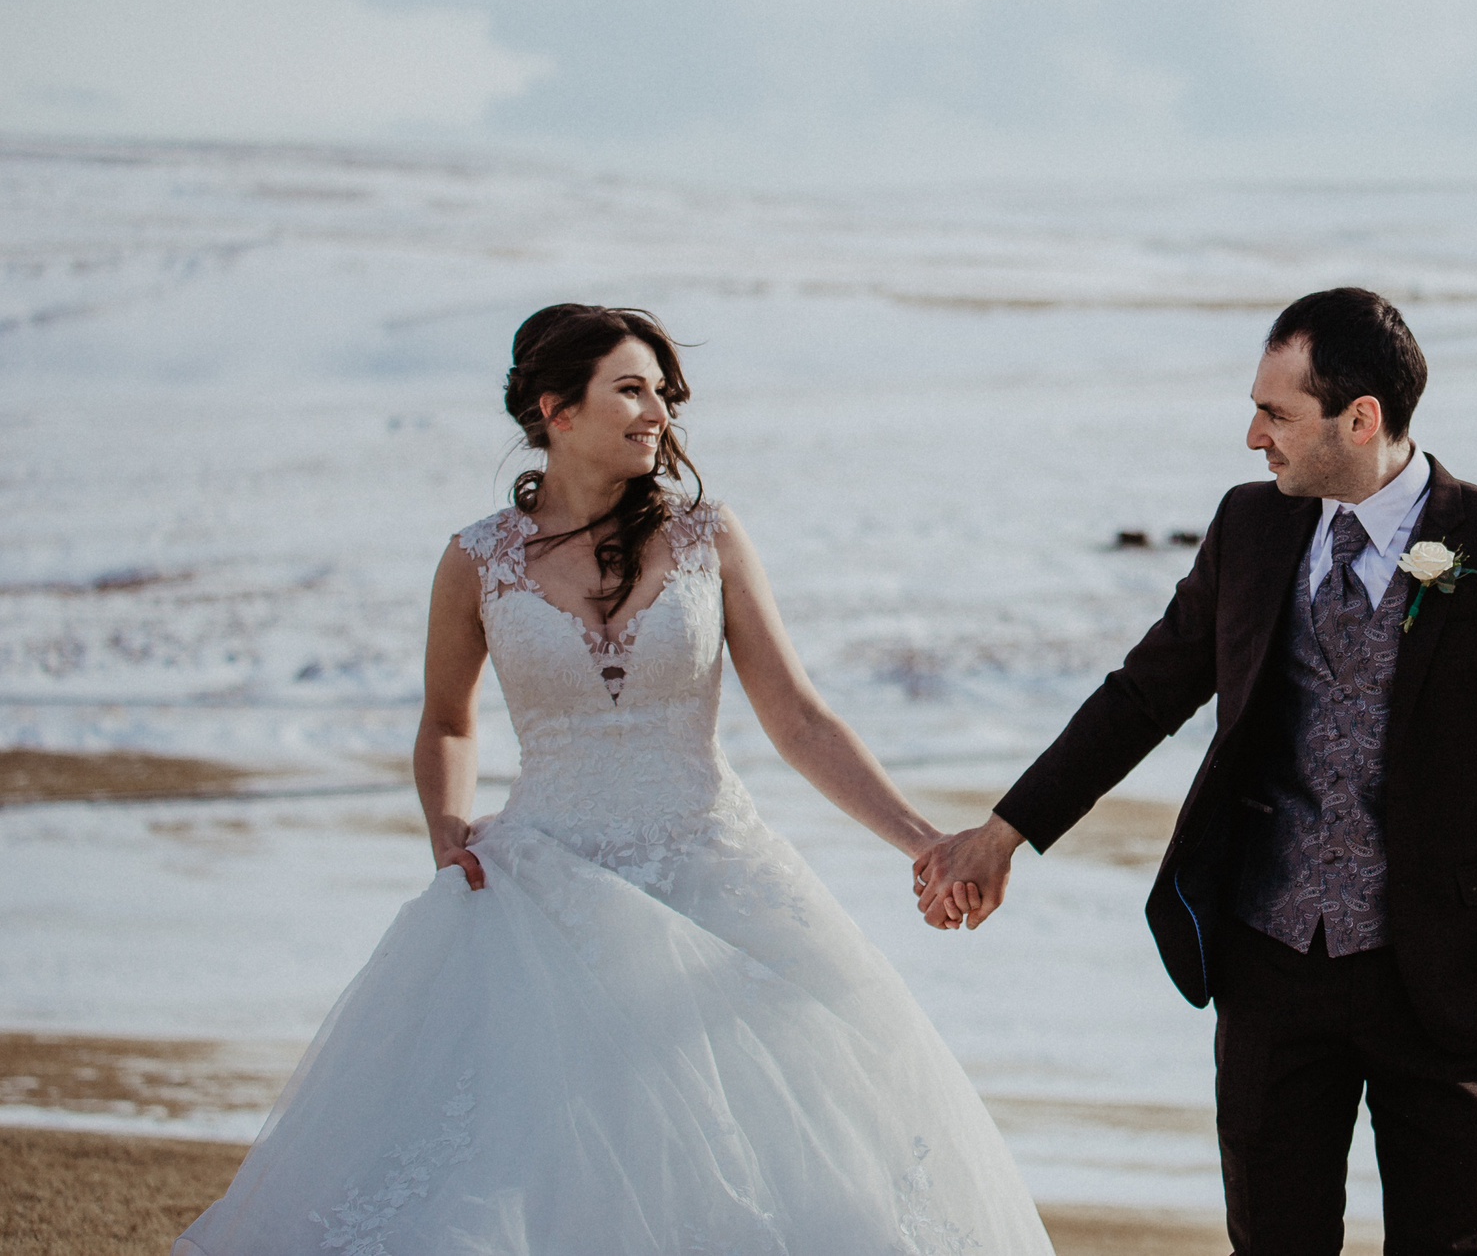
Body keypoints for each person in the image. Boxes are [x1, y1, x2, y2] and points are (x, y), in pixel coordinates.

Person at [174, 304, 1051, 1256]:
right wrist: (447, 823)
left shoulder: (709, 537)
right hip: (536, 894)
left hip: (718, 875)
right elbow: (447, 720)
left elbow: (797, 716)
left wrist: (924, 839)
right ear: (556, 407)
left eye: (662, 394)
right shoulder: (476, 562)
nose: (657, 414)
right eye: (631, 389)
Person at [915, 287, 1477, 1256]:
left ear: (1361, 418)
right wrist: (1006, 831)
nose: (1252, 436)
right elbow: (1143, 695)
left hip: (1442, 974)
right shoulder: (1251, 529)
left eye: (1275, 413)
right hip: (1269, 963)